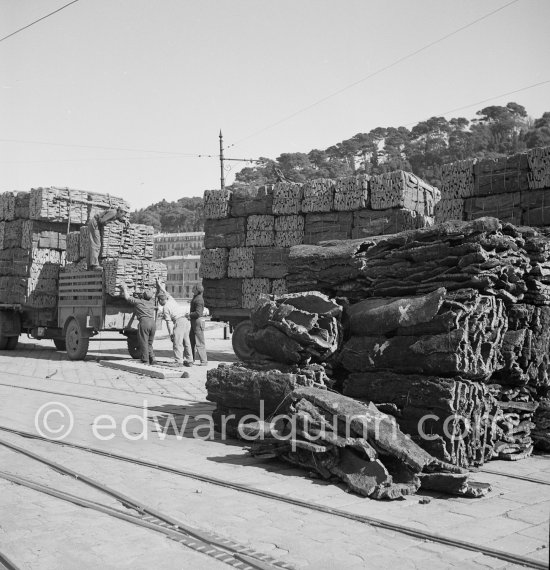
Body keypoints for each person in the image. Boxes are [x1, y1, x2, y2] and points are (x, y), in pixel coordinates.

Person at [156, 278, 193, 367]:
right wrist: (159, 285)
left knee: (177, 342)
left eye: (159, 302)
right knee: (186, 342)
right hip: (186, 321)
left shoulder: (165, 308)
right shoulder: (171, 299)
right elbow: (165, 291)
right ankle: (189, 360)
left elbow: (169, 323)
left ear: (161, 300)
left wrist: (171, 334)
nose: (159, 303)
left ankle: (179, 361)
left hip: (179, 322)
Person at [121, 283, 156, 365]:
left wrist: (125, 288)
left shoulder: (139, 302)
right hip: (153, 323)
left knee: (143, 342)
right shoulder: (152, 302)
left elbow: (127, 297)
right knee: (149, 343)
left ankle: (145, 361)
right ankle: (153, 358)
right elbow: (153, 294)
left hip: (144, 323)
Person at [187, 284, 207, 366]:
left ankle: (204, 361)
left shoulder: (199, 299)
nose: (192, 288)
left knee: (199, 342)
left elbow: (198, 313)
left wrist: (189, 314)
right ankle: (191, 360)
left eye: (193, 287)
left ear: (197, 290)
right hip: (194, 322)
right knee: (191, 341)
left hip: (197, 322)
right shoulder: (196, 297)